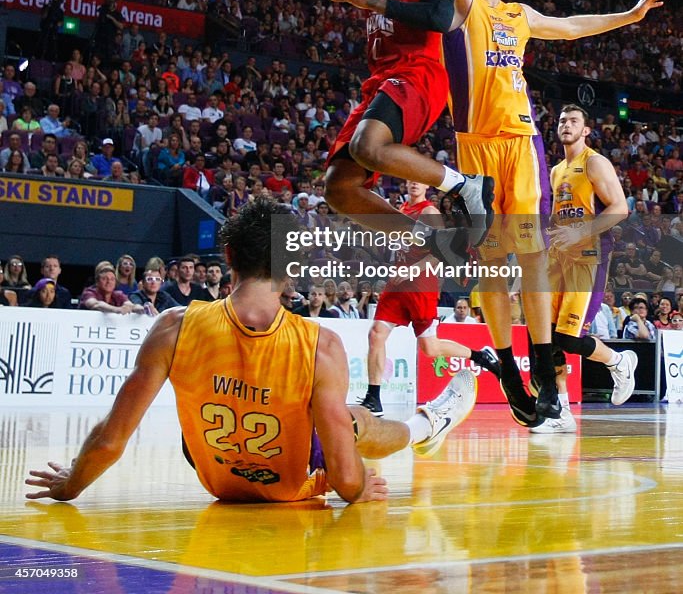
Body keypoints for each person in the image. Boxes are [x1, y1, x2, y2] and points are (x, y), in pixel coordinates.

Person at [391, 0, 667, 426]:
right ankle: (514, 366)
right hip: (473, 148)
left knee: (531, 256)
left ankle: (544, 370)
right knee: (491, 264)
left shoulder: (521, 15)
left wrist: (627, 16)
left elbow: (575, 26)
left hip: (519, 144)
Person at [25, 199, 477, 504]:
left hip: (215, 476)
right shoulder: (322, 345)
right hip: (291, 481)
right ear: (294, 266)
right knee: (353, 420)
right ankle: (426, 424)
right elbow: (346, 479)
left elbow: (109, 439)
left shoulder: (172, 326)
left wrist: (70, 485)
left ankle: (422, 425)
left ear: (227, 256)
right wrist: (358, 489)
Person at [251, 0, 494, 261]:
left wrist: (373, 2)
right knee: (339, 188)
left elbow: (440, 16)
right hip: (381, 79)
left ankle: (466, 185)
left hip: (419, 72)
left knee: (368, 147)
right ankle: (433, 240)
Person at [528, 105, 634, 433]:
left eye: (574, 121)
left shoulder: (594, 161)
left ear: (586, 130)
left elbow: (619, 209)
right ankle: (560, 411)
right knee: (545, 336)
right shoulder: (557, 170)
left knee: (568, 337)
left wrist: (579, 232)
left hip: (589, 255)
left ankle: (619, 362)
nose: (566, 125)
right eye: (562, 121)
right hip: (557, 258)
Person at [358, 180, 500, 416]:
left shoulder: (430, 213)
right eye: (409, 179)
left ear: (427, 186)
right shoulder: (402, 210)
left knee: (430, 348)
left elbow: (441, 254)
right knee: (376, 334)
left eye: (419, 180)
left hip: (421, 284)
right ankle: (374, 398)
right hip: (397, 284)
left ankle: (479, 355)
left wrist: (411, 271)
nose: (413, 183)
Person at [79, 262, 144, 315]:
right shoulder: (89, 292)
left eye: (112, 279)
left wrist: (144, 309)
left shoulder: (118, 294)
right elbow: (96, 304)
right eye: (104, 279)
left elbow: (130, 305)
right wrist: (117, 310)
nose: (109, 282)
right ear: (97, 281)